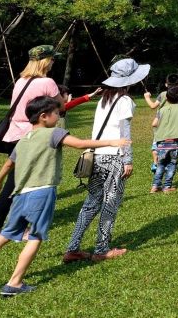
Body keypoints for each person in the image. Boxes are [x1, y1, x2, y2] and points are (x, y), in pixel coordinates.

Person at [0, 96, 129, 297]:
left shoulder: (23, 140)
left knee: (5, 234)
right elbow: (80, 144)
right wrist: (113, 141)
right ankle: (14, 283)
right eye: (56, 113)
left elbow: (9, 164)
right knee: (35, 237)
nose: (59, 115)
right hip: (43, 192)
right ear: (44, 117)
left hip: (20, 194)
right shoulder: (54, 133)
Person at [63, 57, 148, 264]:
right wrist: (128, 160)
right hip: (115, 158)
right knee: (110, 203)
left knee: (91, 203)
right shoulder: (125, 101)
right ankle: (102, 248)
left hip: (97, 155)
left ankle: (72, 248)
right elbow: (125, 132)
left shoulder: (104, 99)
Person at [0, 45, 61, 239]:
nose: (54, 62)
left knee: (15, 179)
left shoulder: (21, 81)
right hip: (33, 136)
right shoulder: (48, 82)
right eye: (52, 59)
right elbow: (59, 106)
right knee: (24, 182)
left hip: (14, 134)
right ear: (46, 61)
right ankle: (12, 227)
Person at [150, 85, 178, 192]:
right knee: (172, 163)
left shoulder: (161, 110)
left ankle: (155, 186)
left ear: (167, 98)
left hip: (161, 139)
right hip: (175, 139)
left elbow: (154, 124)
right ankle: (167, 186)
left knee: (161, 163)